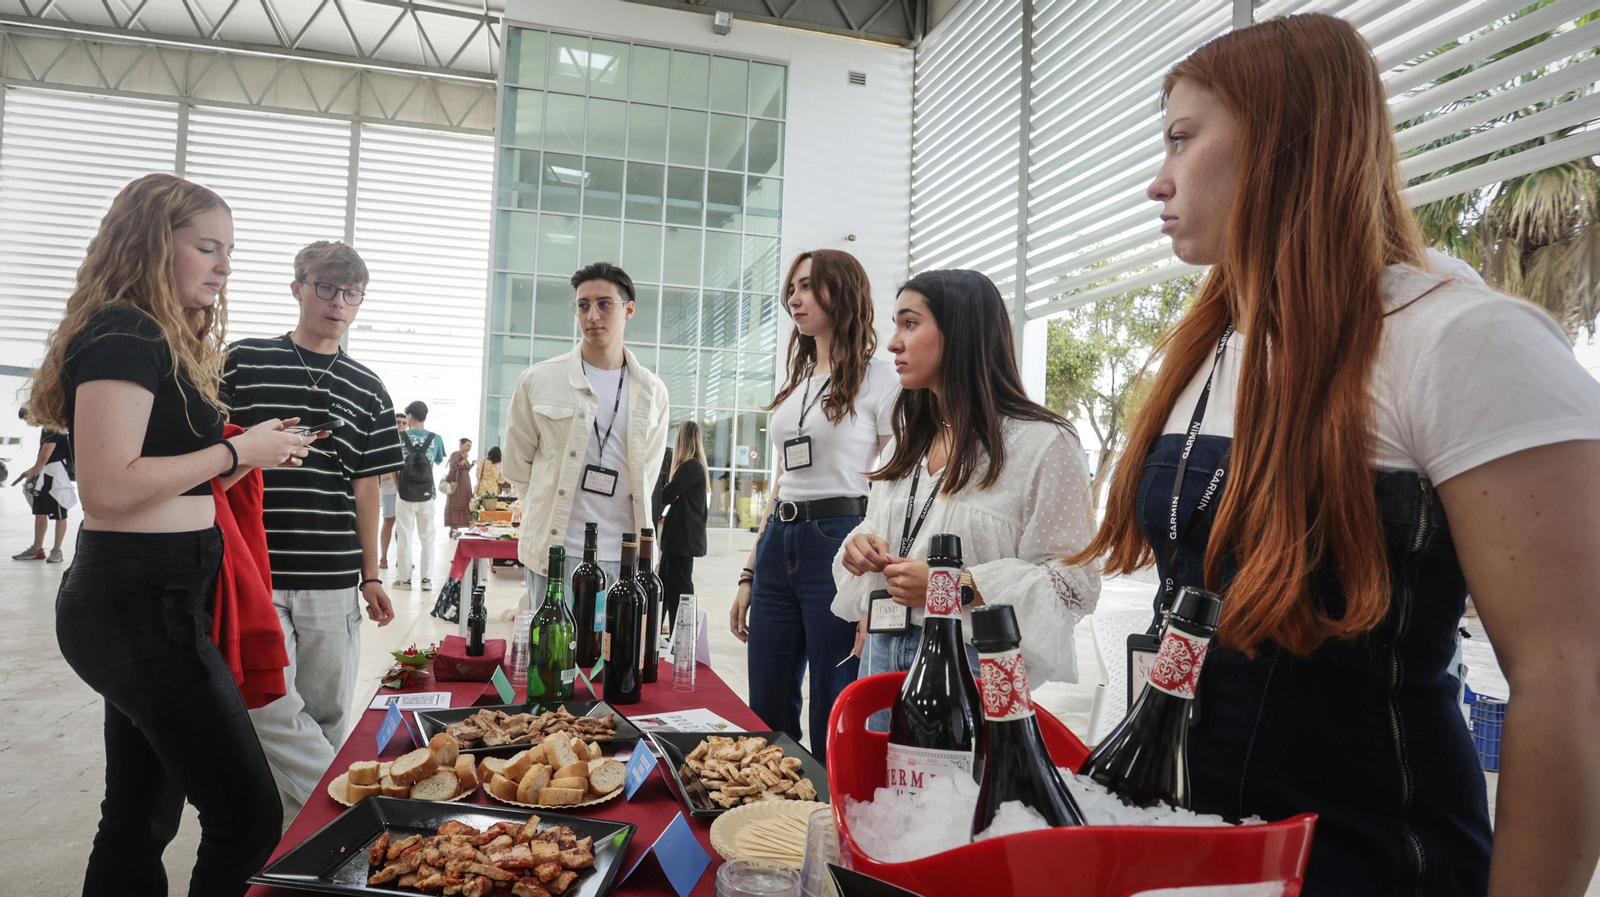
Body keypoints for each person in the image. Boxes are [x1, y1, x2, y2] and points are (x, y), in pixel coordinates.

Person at [1072, 15, 1600, 896]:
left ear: (1285, 139)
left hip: (1375, 862)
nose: (1156, 182)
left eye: (1180, 138)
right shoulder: (1213, 347)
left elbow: (1568, 677)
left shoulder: (1461, 342)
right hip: (1189, 855)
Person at [26, 173, 310, 895]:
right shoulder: (125, 331)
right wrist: (237, 453)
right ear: (154, 245)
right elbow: (109, 487)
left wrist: (254, 451)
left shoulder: (157, 334)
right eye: (207, 248)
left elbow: (167, 474)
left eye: (229, 252)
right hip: (137, 601)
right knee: (247, 814)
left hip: (163, 592)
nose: (224, 266)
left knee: (139, 816)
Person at [834, 269, 1100, 695]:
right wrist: (861, 546)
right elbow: (878, 526)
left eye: (910, 323)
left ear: (960, 330)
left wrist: (952, 587)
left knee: (970, 766)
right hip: (883, 647)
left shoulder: (1043, 443)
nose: (893, 342)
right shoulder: (908, 441)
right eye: (896, 325)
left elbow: (1074, 586)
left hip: (976, 659)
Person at [219, 239, 402, 825]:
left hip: (332, 574)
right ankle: (351, 819)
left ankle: (310, 841)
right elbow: (210, 451)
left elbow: (368, 488)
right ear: (297, 286)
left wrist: (371, 574)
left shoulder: (369, 387)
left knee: (324, 714)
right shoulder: (243, 361)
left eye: (351, 293)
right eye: (325, 287)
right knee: (268, 706)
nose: (338, 302)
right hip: (256, 568)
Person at [729, 249, 900, 766]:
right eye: (792, 288)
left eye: (807, 286)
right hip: (780, 542)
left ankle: (830, 820)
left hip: (841, 535)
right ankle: (768, 815)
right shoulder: (798, 385)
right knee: (767, 704)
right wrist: (748, 571)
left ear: (842, 293)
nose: (793, 298)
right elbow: (783, 480)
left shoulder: (881, 378)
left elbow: (897, 482)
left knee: (835, 695)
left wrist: (877, 589)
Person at [503, 261, 670, 610]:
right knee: (550, 660)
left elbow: (647, 475)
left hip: (623, 556)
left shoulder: (653, 391)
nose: (592, 314)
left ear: (628, 310)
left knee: (617, 659)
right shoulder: (539, 380)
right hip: (555, 553)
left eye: (604, 303)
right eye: (583, 305)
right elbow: (517, 467)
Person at [656, 421, 709, 634]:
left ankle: (684, 634)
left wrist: (667, 488)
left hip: (682, 539)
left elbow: (667, 495)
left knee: (680, 586)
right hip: (680, 537)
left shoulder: (690, 466)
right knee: (666, 584)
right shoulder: (695, 466)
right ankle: (659, 630)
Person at [393, 399, 445, 590]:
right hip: (427, 494)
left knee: (404, 537)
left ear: (410, 416)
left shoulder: (399, 437)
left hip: (404, 493)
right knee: (428, 538)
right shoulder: (436, 438)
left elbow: (393, 466)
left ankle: (405, 580)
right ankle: (426, 580)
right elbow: (438, 461)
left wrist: (398, 485)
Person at [11, 407, 74, 563]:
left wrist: (30, 476)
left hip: (54, 476)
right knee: (40, 512)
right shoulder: (50, 428)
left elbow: (45, 456)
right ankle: (37, 549)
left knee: (60, 514)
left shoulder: (53, 428)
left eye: (28, 419)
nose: (30, 423)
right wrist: (31, 471)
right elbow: (45, 459)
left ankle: (57, 551)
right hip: (46, 474)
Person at [379, 413, 406, 568]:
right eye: (398, 422)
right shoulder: (386, 442)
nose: (401, 425)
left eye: (404, 422)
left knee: (403, 524)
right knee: (388, 522)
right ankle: (383, 558)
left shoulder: (409, 443)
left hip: (405, 490)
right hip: (389, 489)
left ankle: (402, 558)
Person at [444, 437, 474, 537]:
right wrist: (464, 460)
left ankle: (458, 529)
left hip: (465, 483)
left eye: (470, 446)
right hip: (457, 483)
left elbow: (466, 468)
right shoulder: (455, 454)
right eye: (467, 445)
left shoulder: (464, 455)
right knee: (455, 503)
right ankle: (453, 529)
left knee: (465, 503)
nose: (469, 448)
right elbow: (453, 466)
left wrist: (471, 463)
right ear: (461, 444)